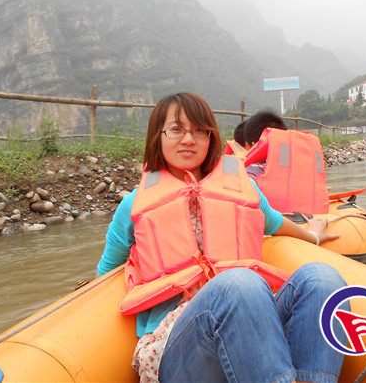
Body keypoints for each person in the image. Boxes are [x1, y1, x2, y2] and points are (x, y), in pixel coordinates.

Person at [97, 93, 348, 383]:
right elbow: (106, 269)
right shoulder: (134, 204)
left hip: (247, 318)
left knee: (323, 279)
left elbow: (275, 222)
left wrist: (312, 236)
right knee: (238, 284)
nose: (188, 139)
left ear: (211, 137)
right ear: (158, 136)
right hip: (178, 344)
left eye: (199, 130)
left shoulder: (240, 188)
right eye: (176, 129)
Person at [243, 110, 329, 215]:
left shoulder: (250, 172)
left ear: (254, 145)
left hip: (275, 222)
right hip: (315, 218)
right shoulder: (305, 166)